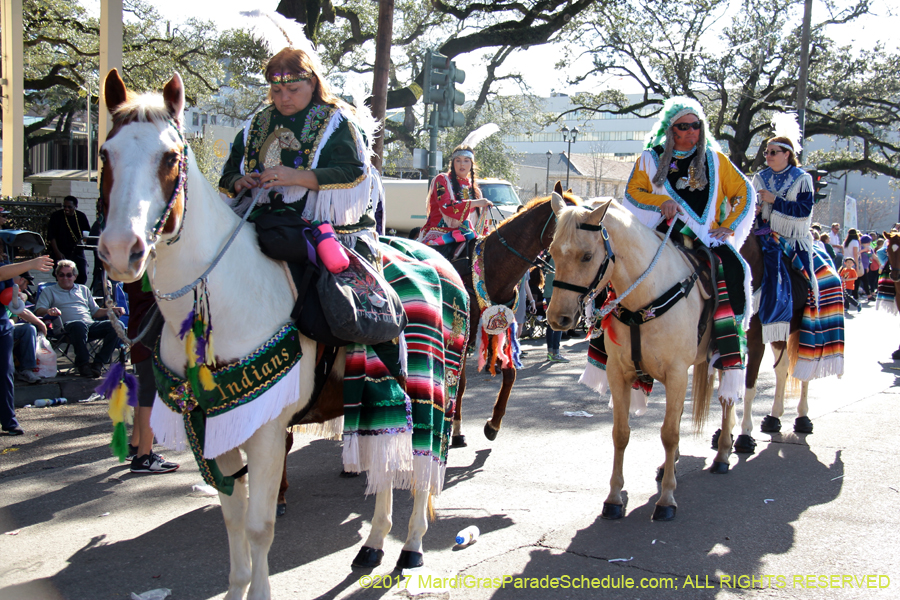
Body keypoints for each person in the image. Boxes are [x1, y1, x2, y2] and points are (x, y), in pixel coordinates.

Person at [623, 96, 754, 401]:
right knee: (621, 270)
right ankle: (612, 349)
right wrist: (661, 201)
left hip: (704, 240)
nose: (692, 130)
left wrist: (729, 225)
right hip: (661, 236)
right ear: (671, 130)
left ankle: (727, 350)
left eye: (697, 125)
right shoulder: (650, 159)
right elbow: (632, 191)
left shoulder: (716, 161)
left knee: (735, 268)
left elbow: (744, 192)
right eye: (684, 126)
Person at [218, 45, 383, 264]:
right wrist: (239, 181)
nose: (284, 98)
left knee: (346, 291)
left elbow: (353, 174)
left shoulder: (338, 122)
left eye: (293, 90)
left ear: (312, 83)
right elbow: (228, 174)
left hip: (325, 228)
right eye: (276, 91)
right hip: (260, 223)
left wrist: (296, 177)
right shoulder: (255, 125)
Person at [750, 115, 844, 349]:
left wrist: (775, 200)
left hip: (793, 240)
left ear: (787, 154)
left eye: (773, 152)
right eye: (766, 152)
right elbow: (750, 206)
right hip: (763, 236)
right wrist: (757, 208)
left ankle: (807, 313)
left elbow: (803, 211)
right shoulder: (759, 177)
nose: (768, 156)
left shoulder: (802, 179)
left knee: (813, 281)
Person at [123, 280, 179, 474]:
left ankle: (137, 446)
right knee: (151, 395)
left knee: (145, 393)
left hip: (142, 331)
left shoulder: (136, 265)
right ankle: (143, 457)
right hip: (150, 334)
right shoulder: (150, 265)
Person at [33, 260, 124, 378]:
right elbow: (38, 310)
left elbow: (95, 312)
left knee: (118, 325)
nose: (65, 278)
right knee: (78, 325)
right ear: (57, 276)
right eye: (61, 274)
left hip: (89, 325)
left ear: (75, 276)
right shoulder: (49, 291)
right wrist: (48, 311)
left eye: (69, 275)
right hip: (65, 328)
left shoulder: (83, 289)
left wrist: (111, 310)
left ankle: (99, 363)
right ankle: (83, 364)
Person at [1, 255, 54, 435]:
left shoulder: (6, 269)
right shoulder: (5, 270)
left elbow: (12, 301)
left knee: (5, 375)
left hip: (2, 327)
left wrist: (18, 297)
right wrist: (32, 264)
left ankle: (9, 421)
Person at [416, 144, 493, 254]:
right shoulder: (441, 180)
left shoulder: (475, 190)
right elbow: (445, 205)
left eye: (466, 160)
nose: (462, 164)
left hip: (469, 237)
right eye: (458, 160)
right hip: (440, 236)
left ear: (472, 164)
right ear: (452, 163)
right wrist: (475, 203)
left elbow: (480, 221)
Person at [10, 272, 47, 384]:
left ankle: (26, 370)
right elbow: (22, 311)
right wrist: (41, 324)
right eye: (26, 284)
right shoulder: (6, 290)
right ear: (21, 280)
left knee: (28, 329)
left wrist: (10, 322)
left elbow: (16, 315)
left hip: (6, 327)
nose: (26, 288)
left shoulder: (16, 294)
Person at [47, 196, 90, 285]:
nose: (66, 209)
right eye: (65, 206)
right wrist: (57, 253)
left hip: (77, 251)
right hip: (62, 251)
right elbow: (51, 237)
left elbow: (86, 233)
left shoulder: (81, 216)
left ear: (75, 206)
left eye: (69, 207)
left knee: (82, 274)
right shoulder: (56, 216)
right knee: (63, 276)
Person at [542, 257, 569, 362]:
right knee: (559, 323)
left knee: (551, 324)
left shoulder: (549, 258)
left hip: (549, 293)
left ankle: (550, 352)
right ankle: (556, 352)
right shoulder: (558, 258)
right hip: (557, 294)